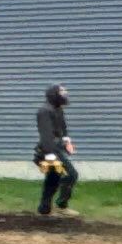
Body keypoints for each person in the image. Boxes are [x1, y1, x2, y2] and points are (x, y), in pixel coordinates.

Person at [35, 84, 79, 216]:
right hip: (48, 151)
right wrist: (50, 157)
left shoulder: (58, 109)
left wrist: (67, 142)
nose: (64, 95)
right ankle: (60, 206)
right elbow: (46, 135)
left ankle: (45, 209)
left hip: (57, 149)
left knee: (53, 179)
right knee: (70, 175)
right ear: (54, 95)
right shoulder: (44, 111)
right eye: (62, 93)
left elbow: (63, 128)